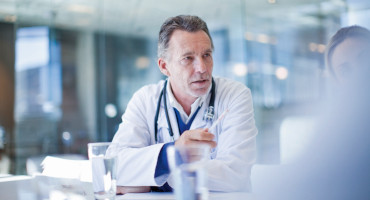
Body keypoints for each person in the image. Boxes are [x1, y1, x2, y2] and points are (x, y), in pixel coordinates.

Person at [111, 15, 258, 194]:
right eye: (188, 58)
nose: (202, 68)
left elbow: (236, 175)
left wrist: (158, 174)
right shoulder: (145, 100)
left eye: (206, 55)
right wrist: (172, 152)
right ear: (164, 66)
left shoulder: (234, 96)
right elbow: (114, 166)